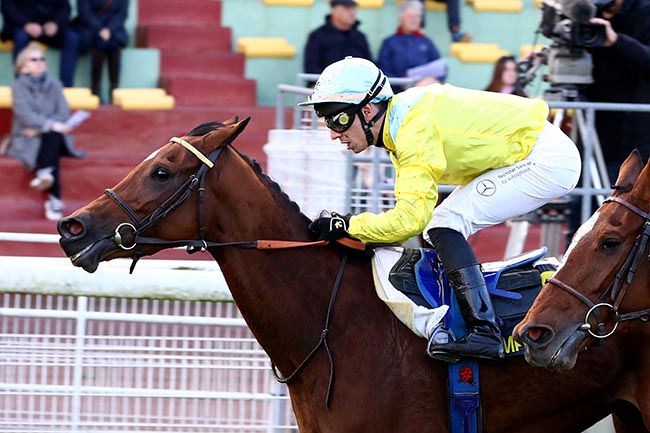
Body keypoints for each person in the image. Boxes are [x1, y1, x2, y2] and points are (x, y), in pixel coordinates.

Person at [299, 57, 581, 362]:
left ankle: (483, 331)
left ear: (367, 110)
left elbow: (410, 220)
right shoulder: (400, 123)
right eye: (325, 120)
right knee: (440, 223)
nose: (332, 132)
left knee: (444, 223)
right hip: (533, 150)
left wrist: (347, 225)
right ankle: (461, 316)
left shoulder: (411, 132)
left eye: (338, 119)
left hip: (547, 159)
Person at [566, 0, 650, 242]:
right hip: (592, 135)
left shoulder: (645, 14)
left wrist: (616, 41)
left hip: (635, 141)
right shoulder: (583, 14)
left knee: (623, 222)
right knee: (582, 215)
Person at [6, 43, 85, 221]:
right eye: (34, 59)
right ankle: (54, 199)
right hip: (25, 137)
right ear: (23, 66)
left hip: (44, 135)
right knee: (53, 137)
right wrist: (49, 125)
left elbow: (63, 112)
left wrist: (44, 127)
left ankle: (45, 173)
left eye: (42, 59)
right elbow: (24, 115)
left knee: (52, 136)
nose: (40, 62)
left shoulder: (54, 84)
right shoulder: (18, 87)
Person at [0, 0, 79, 87]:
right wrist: (26, 24)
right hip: (21, 26)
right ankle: (22, 85)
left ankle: (66, 86)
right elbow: (7, 8)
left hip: (47, 28)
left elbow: (65, 8)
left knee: (71, 38)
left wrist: (55, 23)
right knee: (20, 37)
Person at [377, 0, 445, 89]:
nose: (414, 20)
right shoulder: (389, 42)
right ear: (401, 18)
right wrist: (402, 82)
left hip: (424, 90)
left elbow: (440, 68)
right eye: (410, 16)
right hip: (397, 92)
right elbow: (383, 70)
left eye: (418, 16)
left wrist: (431, 80)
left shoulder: (426, 42)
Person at [72, 0, 129, 103]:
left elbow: (122, 14)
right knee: (97, 44)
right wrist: (100, 29)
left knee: (114, 44)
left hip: (113, 30)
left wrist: (109, 29)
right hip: (91, 28)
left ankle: (114, 89)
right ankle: (95, 88)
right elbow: (84, 12)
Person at [303, 0, 372, 77]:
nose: (352, 12)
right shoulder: (317, 36)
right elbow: (312, 69)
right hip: (327, 85)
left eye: (353, 8)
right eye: (347, 8)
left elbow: (370, 67)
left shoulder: (360, 37)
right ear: (334, 10)